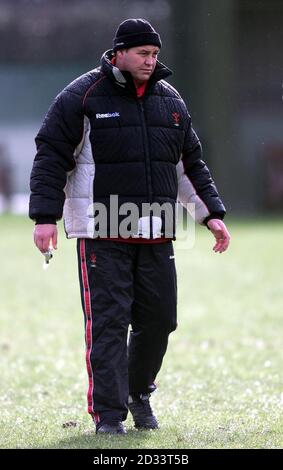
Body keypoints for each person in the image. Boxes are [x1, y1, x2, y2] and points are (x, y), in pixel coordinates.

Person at [29, 18, 230, 435]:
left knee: (160, 320)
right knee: (108, 323)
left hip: (156, 230)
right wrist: (44, 218)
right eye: (143, 53)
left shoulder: (171, 101)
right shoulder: (81, 96)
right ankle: (108, 417)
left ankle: (138, 392)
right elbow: (51, 157)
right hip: (101, 231)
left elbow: (189, 166)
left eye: (155, 54)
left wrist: (211, 214)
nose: (150, 61)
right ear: (118, 52)